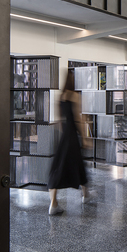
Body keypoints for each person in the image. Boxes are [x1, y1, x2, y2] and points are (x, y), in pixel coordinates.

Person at [48, 70, 91, 215]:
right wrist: (84, 138)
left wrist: (64, 133)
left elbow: (59, 120)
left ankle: (54, 203)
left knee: (60, 166)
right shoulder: (75, 96)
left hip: (64, 136)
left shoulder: (60, 96)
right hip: (72, 136)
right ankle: (85, 195)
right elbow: (78, 119)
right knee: (77, 164)